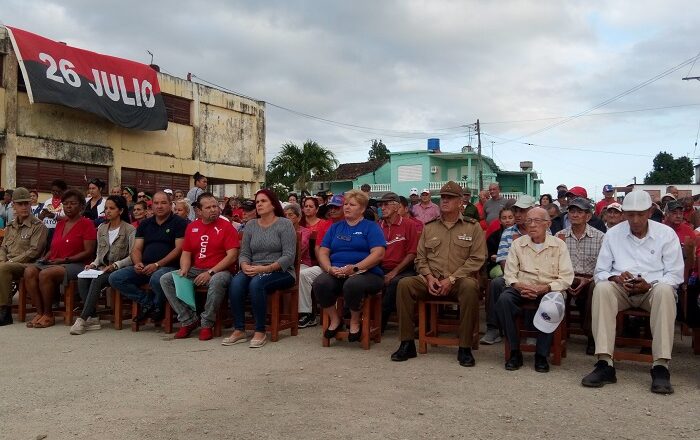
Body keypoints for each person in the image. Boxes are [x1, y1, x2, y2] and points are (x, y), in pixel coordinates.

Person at [581, 190, 683, 394]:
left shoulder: (666, 234)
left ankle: (661, 366)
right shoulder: (613, 234)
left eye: (641, 214)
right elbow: (600, 271)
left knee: (665, 290)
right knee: (601, 288)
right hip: (622, 288)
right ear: (624, 213)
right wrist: (614, 277)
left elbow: (675, 275)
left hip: (652, 289)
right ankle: (604, 362)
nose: (635, 220)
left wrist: (650, 284)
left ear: (650, 211)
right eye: (630, 214)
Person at [391, 181, 486, 366]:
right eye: (443, 197)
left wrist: (451, 279)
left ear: (461, 202)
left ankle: (465, 347)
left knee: (469, 286)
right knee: (404, 284)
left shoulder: (472, 227)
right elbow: (420, 258)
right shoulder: (430, 227)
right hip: (431, 280)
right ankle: (407, 343)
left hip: (458, 281)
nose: (445, 201)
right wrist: (428, 277)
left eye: (450, 198)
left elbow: (477, 259)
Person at [496, 207, 574, 372]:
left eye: (537, 221)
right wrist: (519, 286)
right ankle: (515, 351)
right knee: (504, 300)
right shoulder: (518, 243)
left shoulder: (558, 245)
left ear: (548, 224)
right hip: (522, 287)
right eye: (528, 221)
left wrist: (544, 288)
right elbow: (509, 274)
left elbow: (566, 278)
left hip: (548, 288)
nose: (532, 225)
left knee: (551, 305)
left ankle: (541, 354)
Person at [160, 192, 238, 341]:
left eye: (215, 206)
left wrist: (210, 272)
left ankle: (207, 323)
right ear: (199, 211)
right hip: (196, 269)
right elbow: (186, 253)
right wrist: (183, 269)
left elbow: (232, 256)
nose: (213, 210)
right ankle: (188, 320)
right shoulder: (192, 227)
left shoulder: (226, 226)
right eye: (208, 207)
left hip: (220, 270)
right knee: (166, 279)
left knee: (217, 281)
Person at [313, 189, 386, 343]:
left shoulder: (371, 227)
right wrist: (329, 268)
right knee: (320, 283)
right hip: (338, 271)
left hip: (367, 273)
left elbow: (378, 253)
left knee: (352, 284)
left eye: (352, 205)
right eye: (346, 204)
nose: (346, 207)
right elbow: (323, 252)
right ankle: (335, 319)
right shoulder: (335, 228)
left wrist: (355, 268)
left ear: (362, 209)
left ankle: (354, 320)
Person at [226, 189, 296, 348]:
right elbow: (244, 253)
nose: (259, 204)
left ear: (273, 204)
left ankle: (260, 330)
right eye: (257, 202)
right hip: (253, 269)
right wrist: (244, 265)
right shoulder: (250, 225)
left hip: (281, 271)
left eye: (263, 201)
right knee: (236, 283)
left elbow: (289, 256)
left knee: (257, 284)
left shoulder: (285, 224)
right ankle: (239, 329)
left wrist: (266, 268)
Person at [109, 192, 188, 324]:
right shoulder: (145, 224)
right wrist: (138, 263)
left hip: (168, 267)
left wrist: (157, 265)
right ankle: (148, 303)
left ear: (170, 205)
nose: (159, 206)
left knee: (158, 278)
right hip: (145, 266)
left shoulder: (179, 223)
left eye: (163, 203)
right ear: (152, 206)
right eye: (156, 203)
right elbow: (136, 248)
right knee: (115, 278)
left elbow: (178, 249)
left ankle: (158, 306)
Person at [23, 190, 97, 329]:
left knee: (46, 274)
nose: (68, 206)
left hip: (78, 264)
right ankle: (40, 312)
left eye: (73, 203)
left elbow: (89, 251)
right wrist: (44, 259)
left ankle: (48, 314)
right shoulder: (60, 224)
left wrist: (65, 260)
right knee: (29, 271)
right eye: (65, 204)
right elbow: (53, 248)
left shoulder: (87, 224)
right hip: (55, 262)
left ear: (81, 206)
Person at [71, 196, 135, 335]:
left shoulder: (129, 229)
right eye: (106, 208)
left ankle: (82, 318)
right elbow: (100, 254)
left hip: (120, 268)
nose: (108, 211)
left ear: (121, 210)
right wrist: (93, 264)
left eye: (112, 208)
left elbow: (132, 257)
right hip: (103, 267)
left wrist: (116, 265)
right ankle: (93, 317)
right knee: (82, 277)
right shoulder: (102, 229)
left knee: (97, 280)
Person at [481, 194, 536, 345]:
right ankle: (493, 328)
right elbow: (503, 260)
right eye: (516, 210)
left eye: (522, 211)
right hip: (513, 275)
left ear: (533, 211)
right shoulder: (508, 232)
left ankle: (532, 330)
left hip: (536, 276)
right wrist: (514, 280)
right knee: (497, 283)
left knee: (535, 286)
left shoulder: (542, 231)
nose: (518, 214)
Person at [555, 198, 605, 355]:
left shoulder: (600, 237)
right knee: (553, 290)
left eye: (579, 212)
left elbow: (604, 266)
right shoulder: (559, 236)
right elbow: (554, 263)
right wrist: (565, 280)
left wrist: (588, 280)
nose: (575, 214)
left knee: (595, 290)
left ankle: (592, 336)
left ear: (588, 216)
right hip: (566, 277)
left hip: (590, 279)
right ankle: (552, 336)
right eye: (572, 211)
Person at [0, 188, 48, 326]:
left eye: (26, 203)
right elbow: (3, 247)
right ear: (13, 205)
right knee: (3, 266)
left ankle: (5, 312)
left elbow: (34, 251)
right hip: (9, 262)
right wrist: (3, 258)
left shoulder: (38, 226)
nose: (24, 207)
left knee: (3, 268)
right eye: (20, 204)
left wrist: (10, 261)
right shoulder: (10, 226)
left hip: (29, 264)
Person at [377, 192, 419, 332]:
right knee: (360, 279)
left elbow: (412, 253)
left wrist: (394, 272)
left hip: (403, 268)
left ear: (396, 207)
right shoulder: (378, 226)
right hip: (381, 267)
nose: (382, 207)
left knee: (395, 283)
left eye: (386, 204)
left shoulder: (409, 224)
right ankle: (353, 320)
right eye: (381, 205)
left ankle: (379, 324)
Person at [296, 196, 332, 328]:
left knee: (303, 274)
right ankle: (304, 312)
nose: (307, 209)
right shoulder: (300, 224)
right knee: (297, 273)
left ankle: (308, 314)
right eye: (305, 206)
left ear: (317, 209)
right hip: (305, 261)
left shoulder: (324, 224)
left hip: (320, 262)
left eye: (311, 206)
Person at [486, 207, 515, 280]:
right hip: (497, 265)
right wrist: (494, 256)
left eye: (510, 217)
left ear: (514, 219)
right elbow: (488, 253)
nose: (507, 220)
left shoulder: (520, 233)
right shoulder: (493, 236)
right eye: (504, 218)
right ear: (500, 220)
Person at [38, 179, 68, 244]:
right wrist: (43, 214)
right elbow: (40, 217)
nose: (55, 193)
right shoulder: (47, 201)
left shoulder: (66, 202)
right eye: (53, 191)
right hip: (46, 231)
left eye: (58, 191)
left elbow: (68, 218)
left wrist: (54, 216)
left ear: (63, 191)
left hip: (60, 231)